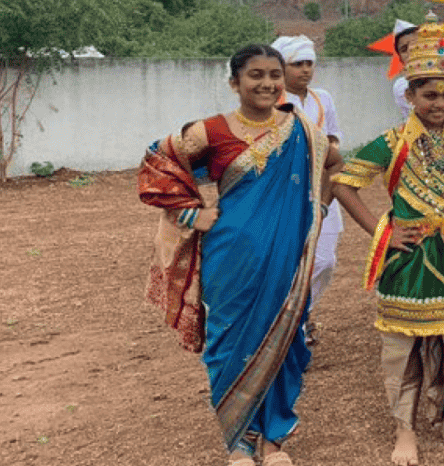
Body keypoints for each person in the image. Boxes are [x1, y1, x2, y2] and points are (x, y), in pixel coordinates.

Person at [138, 44, 341, 466]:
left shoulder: (301, 128)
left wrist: (318, 210)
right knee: (229, 344)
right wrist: (191, 214)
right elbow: (157, 162)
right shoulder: (210, 131)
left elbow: (336, 162)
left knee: (284, 341)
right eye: (255, 75)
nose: (267, 83)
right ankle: (238, 442)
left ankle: (273, 442)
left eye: (274, 75)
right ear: (235, 82)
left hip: (286, 255)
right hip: (230, 256)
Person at [332, 22, 444, 466]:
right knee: (403, 350)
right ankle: (405, 429)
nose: (441, 103)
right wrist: (383, 230)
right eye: (430, 95)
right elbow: (342, 183)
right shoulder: (391, 142)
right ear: (410, 96)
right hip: (407, 264)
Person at [271, 35, 344, 346]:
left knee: (325, 261)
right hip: (284, 193)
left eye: (308, 63)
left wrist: (326, 157)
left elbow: (335, 139)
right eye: (296, 64)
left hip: (323, 188)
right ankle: (290, 326)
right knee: (288, 262)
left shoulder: (322, 99)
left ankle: (303, 311)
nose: (304, 70)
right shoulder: (270, 100)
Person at [390, 20, 420, 122]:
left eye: (414, 45)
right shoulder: (402, 86)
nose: (410, 51)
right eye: (404, 49)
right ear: (400, 58)